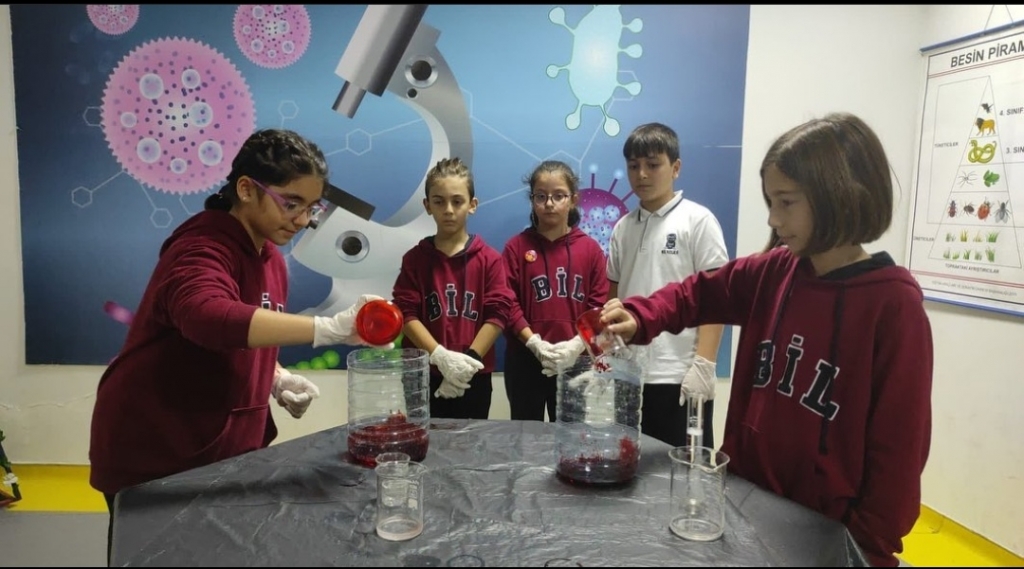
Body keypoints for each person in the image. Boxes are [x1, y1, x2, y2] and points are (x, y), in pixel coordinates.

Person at [600, 112, 933, 567]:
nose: (774, 218)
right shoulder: (774, 270)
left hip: (827, 536)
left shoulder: (893, 307)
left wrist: (867, 549)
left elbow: (898, 453)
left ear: (839, 196)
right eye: (771, 202)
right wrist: (641, 315)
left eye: (786, 202)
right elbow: (698, 293)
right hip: (746, 507)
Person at [88, 128, 385, 562]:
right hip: (157, 454)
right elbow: (207, 317)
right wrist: (327, 329)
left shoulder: (271, 260)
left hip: (222, 456)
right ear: (246, 189)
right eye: (291, 203)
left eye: (312, 208)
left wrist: (274, 376)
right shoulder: (200, 248)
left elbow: (242, 332)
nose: (302, 220)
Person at [548, 122, 728, 448]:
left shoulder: (698, 221)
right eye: (633, 166)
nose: (642, 174)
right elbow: (613, 300)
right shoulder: (623, 228)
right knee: (632, 466)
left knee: (682, 470)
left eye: (653, 164)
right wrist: (604, 360)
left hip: (680, 376)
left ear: (676, 167)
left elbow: (716, 299)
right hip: (630, 376)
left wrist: (704, 364)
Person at [392, 157, 515, 420]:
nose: (448, 210)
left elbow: (498, 314)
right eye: (439, 201)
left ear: (472, 205)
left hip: (474, 374)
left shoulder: (490, 260)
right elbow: (405, 313)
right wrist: (439, 356)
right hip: (422, 374)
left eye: (457, 201)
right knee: (423, 440)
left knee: (470, 442)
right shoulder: (414, 260)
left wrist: (466, 363)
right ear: (427, 206)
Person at [501, 160, 610, 421]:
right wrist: (533, 343)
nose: (549, 204)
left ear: (573, 200)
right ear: (532, 200)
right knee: (526, 437)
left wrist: (577, 345)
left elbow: (598, 306)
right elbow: (507, 303)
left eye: (559, 196)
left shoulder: (591, 250)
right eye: (541, 196)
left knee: (571, 439)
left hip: (574, 361)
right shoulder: (516, 248)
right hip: (525, 360)